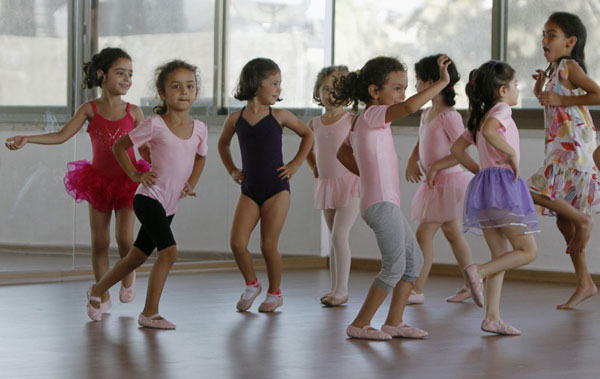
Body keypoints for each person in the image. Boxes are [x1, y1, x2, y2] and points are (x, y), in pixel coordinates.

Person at [5, 47, 148, 310]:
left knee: (125, 239)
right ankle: (101, 295)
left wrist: (159, 169)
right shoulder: (90, 109)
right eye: (120, 73)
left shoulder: (134, 112)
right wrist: (28, 138)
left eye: (130, 74)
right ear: (102, 75)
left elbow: (148, 147)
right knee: (99, 242)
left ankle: (129, 276)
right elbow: (61, 135)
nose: (127, 79)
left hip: (127, 180)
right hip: (98, 181)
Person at [334, 55, 450, 340]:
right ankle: (360, 324)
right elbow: (411, 106)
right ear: (375, 92)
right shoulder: (372, 115)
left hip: (388, 203)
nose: (403, 95)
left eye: (405, 87)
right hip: (379, 204)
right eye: (397, 88)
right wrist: (444, 82)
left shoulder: (367, 122)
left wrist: (367, 172)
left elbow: (342, 152)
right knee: (395, 265)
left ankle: (394, 322)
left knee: (413, 263)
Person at [86, 60, 208, 329]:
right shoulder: (154, 125)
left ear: (197, 93)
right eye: (176, 87)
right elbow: (120, 146)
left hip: (170, 205)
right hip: (148, 198)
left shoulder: (199, 129)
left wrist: (192, 182)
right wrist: (134, 174)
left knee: (137, 257)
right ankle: (149, 312)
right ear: (163, 93)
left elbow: (200, 157)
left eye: (190, 86)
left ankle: (97, 290)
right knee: (169, 252)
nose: (184, 92)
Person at [218, 58, 313, 312]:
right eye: (274, 83)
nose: (278, 89)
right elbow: (223, 144)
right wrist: (231, 169)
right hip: (249, 190)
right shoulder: (235, 118)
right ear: (256, 83)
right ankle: (252, 284)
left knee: (268, 245)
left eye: (279, 83)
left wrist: (294, 164)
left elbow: (308, 134)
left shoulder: (280, 115)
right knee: (237, 243)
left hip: (276, 189)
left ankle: (275, 293)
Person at [451, 60, 538, 335]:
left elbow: (457, 149)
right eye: (515, 85)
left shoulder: (479, 115)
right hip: (502, 185)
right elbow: (490, 133)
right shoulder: (502, 109)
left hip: (485, 187)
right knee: (528, 251)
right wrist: (510, 154)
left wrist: (480, 170)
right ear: (502, 91)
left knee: (500, 254)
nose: (516, 90)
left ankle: (492, 317)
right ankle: (478, 270)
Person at [528, 12, 600, 309]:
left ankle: (584, 221)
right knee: (562, 217)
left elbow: (597, 94)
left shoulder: (570, 67)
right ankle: (585, 282)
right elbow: (554, 102)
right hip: (560, 148)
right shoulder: (557, 69)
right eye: (544, 34)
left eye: (552, 35)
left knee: (532, 191)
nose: (545, 40)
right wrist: (540, 90)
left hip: (574, 149)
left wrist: (563, 100)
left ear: (571, 42)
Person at [405, 54, 475, 305]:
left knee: (424, 234)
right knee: (454, 234)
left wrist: (435, 167)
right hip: (435, 185)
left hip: (448, 184)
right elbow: (422, 140)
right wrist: (413, 159)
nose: (415, 86)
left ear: (434, 82)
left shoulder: (450, 116)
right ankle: (472, 284)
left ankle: (417, 288)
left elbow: (461, 153)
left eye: (419, 81)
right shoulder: (427, 113)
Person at [306, 65, 360, 306]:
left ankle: (342, 289)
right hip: (327, 184)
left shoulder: (352, 119)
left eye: (336, 89)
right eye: (325, 88)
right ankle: (335, 288)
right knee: (334, 238)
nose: (330, 94)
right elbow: (307, 148)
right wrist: (314, 166)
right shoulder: (315, 122)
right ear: (318, 90)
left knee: (340, 234)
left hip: (350, 184)